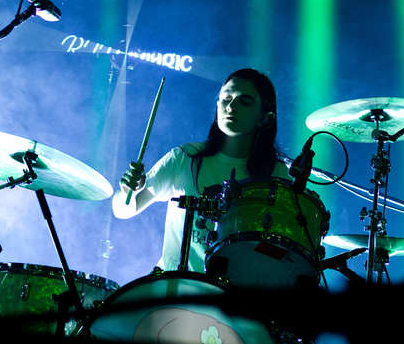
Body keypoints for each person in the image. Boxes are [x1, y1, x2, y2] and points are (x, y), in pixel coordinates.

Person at [112, 68, 290, 273]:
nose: (231, 106)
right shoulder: (185, 158)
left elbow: (282, 250)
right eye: (226, 98)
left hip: (236, 290)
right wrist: (127, 192)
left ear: (266, 118)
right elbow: (122, 211)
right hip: (174, 284)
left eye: (245, 102)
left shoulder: (276, 173)